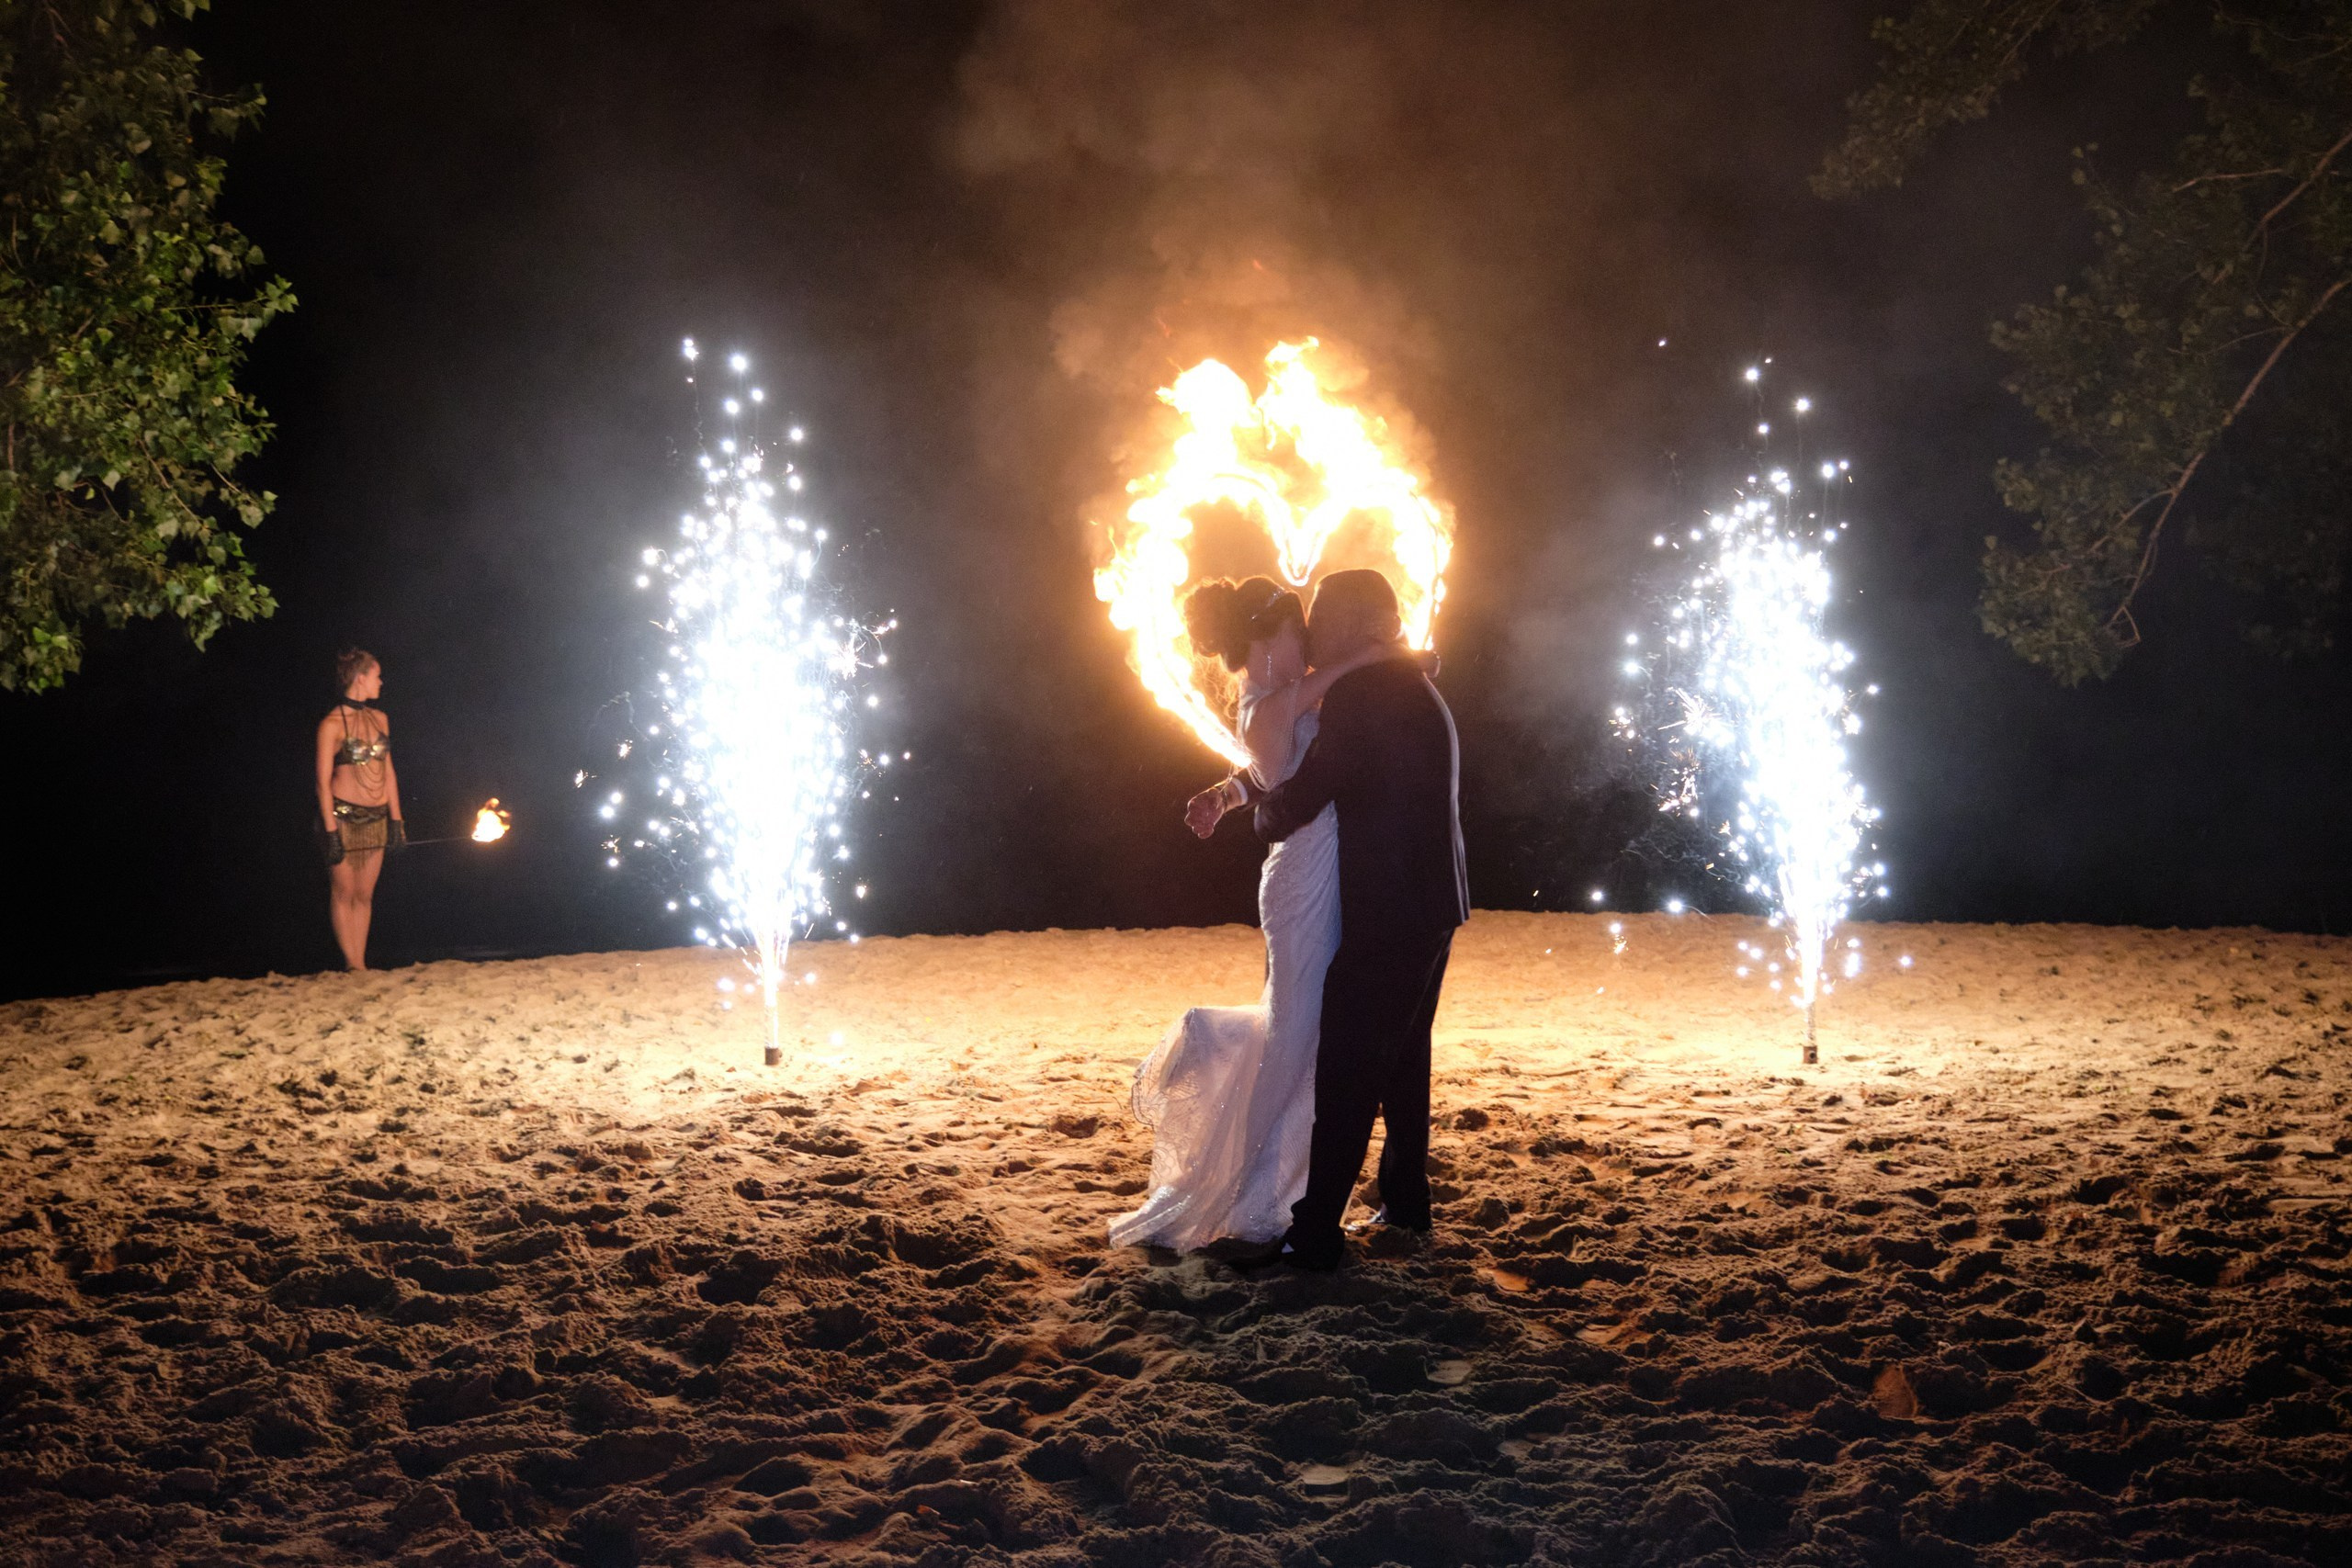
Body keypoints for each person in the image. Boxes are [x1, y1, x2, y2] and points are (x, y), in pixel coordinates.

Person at [1108, 577, 1388, 1252]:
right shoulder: (1273, 700)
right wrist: (1391, 657)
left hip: (1313, 870)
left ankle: (1276, 1185)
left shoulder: (1276, 698)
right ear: (1268, 643)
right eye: (1298, 636)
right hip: (1300, 882)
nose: (1310, 648)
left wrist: (1223, 796)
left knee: (1300, 1029)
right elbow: (1334, 687)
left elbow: (1273, 775)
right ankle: (1251, 1191)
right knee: (1297, 1033)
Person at [1234, 569, 1469, 1272]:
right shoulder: (1417, 683)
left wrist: (1260, 816)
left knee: (1346, 1067)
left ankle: (1313, 1235)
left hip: (1391, 910)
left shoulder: (1365, 694)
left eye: (1326, 619)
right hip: (1436, 902)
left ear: (1355, 623)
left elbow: (1306, 792)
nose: (1314, 635)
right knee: (1403, 1057)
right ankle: (1404, 1198)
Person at [314, 648, 404, 970]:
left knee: (364, 895)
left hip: (377, 817)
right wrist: (330, 832)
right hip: (342, 818)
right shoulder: (331, 725)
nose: (381, 682)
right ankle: (351, 963)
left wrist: (396, 819)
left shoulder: (381, 719)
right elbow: (323, 782)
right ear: (361, 678)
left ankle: (360, 963)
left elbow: (388, 771)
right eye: (377, 676)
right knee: (344, 892)